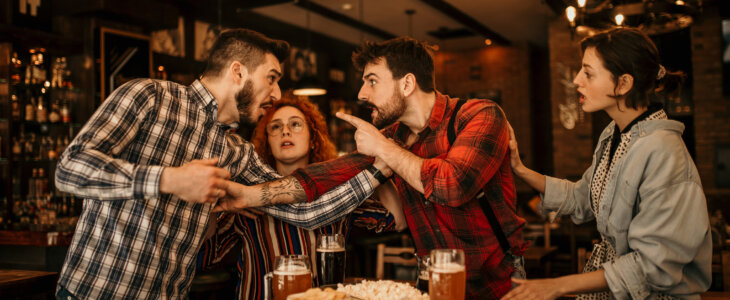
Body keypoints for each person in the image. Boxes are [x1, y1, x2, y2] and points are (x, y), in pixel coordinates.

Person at [54, 29, 390, 299]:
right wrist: (168, 179)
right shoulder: (149, 96)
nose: (276, 93)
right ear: (238, 71)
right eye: (271, 78)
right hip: (92, 292)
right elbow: (70, 168)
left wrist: (379, 168)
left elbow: (305, 211)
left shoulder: (237, 151)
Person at [215, 37, 527, 299]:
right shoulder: (393, 137)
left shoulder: (478, 115)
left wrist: (382, 149)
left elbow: (451, 186)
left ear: (406, 83)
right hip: (434, 288)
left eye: (372, 81)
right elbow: (323, 177)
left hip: (499, 288)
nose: (362, 94)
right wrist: (248, 195)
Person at [502, 28, 711, 300]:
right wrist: (519, 168)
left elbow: (655, 266)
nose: (577, 80)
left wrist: (557, 285)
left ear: (623, 84)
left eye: (588, 73)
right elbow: (582, 197)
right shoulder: (614, 134)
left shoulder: (663, 151)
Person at [198, 96, 407, 299]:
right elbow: (206, 254)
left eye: (295, 124)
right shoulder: (248, 192)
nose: (285, 131)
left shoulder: (338, 191)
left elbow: (397, 220)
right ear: (267, 142)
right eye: (276, 127)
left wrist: (376, 161)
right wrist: (209, 202)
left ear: (313, 138)